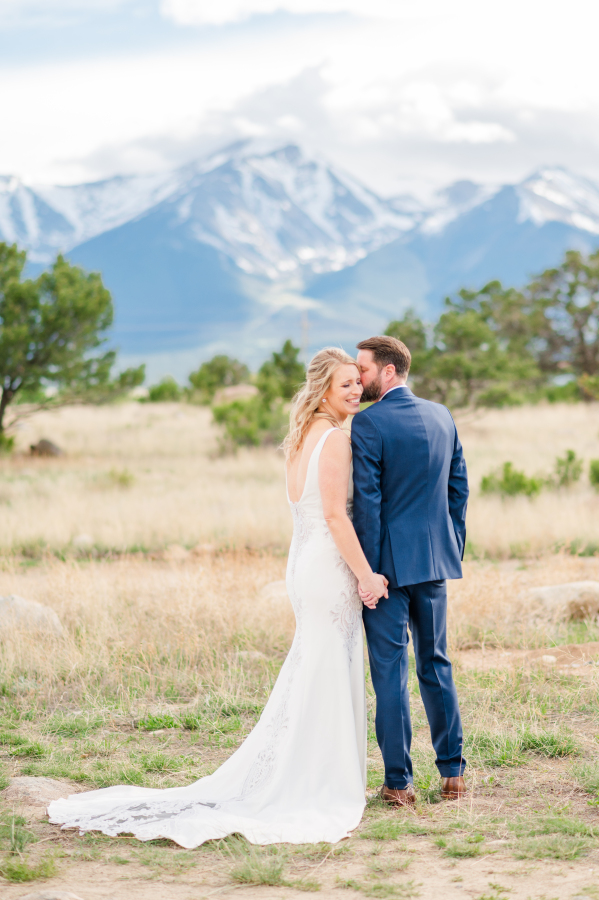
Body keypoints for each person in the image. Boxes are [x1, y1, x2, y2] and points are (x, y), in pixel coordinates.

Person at [48, 347, 388, 848]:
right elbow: (337, 517)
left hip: (303, 564)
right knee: (328, 667)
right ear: (322, 390)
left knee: (315, 666)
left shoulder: (301, 438)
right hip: (328, 567)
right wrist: (367, 575)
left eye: (357, 383)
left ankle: (308, 769)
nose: (356, 391)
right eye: (345, 386)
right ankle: (318, 781)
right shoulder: (335, 440)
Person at [352, 335, 469, 807]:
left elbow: (368, 507)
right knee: (436, 663)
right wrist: (450, 545)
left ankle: (398, 783)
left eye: (362, 369)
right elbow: (458, 488)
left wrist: (370, 573)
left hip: (388, 573)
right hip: (436, 562)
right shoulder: (442, 415)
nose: (357, 377)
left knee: (390, 673)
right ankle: (453, 774)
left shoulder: (369, 425)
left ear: (388, 371)